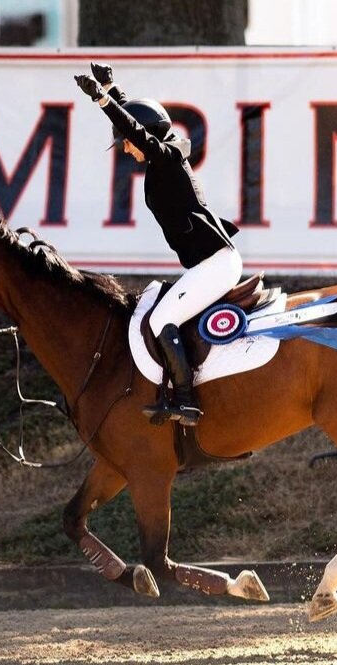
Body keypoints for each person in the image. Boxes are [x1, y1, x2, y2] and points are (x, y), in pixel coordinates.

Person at [74, 62, 242, 427]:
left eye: (125, 144)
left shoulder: (166, 159)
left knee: (162, 318)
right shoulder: (164, 158)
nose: (123, 150)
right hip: (209, 263)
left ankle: (186, 401)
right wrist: (112, 86)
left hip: (216, 263)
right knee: (161, 311)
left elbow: (139, 130)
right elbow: (140, 122)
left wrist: (102, 100)